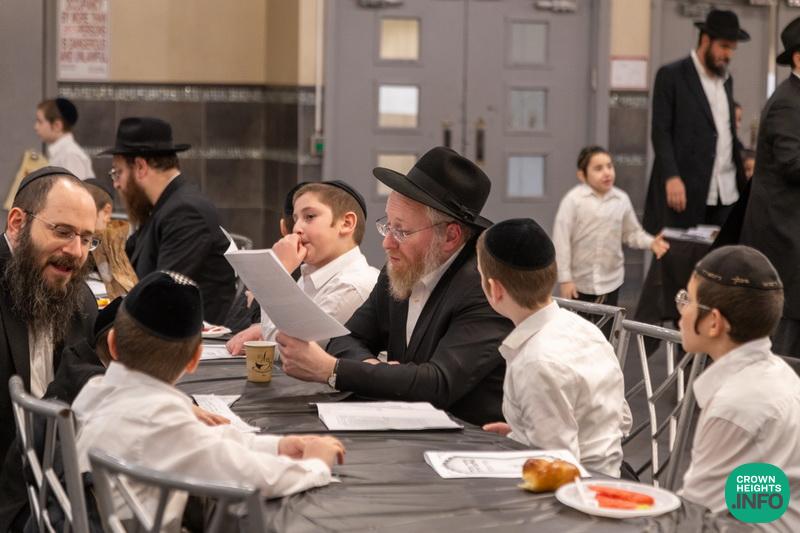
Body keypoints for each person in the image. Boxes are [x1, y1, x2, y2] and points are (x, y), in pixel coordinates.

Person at [73, 271, 346, 530]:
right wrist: (315, 467)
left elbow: (206, 443)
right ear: (195, 360)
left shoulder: (95, 392)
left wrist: (277, 446)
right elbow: (247, 474)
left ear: (112, 344)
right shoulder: (159, 416)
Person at [276, 147, 513, 426]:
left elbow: (438, 383)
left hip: (472, 439)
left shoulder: (485, 289)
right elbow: (346, 338)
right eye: (387, 226)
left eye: (401, 231)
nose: (387, 243)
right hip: (406, 427)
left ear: (450, 236)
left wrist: (332, 370)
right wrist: (373, 370)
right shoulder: (400, 271)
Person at [477, 218, 631, 477]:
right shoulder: (585, 330)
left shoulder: (535, 362)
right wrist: (521, 433)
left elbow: (557, 467)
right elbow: (620, 419)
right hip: (609, 475)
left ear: (494, 289)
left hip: (579, 491)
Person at [677, 246, 799, 530]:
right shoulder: (777, 375)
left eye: (688, 300)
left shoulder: (736, 405)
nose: (681, 312)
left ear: (714, 323)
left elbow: (695, 515)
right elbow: (754, 497)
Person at [0, 166, 98, 469]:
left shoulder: (81, 299)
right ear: (17, 224)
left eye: (87, 239)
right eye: (63, 232)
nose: (76, 251)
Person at [100, 117, 236, 324]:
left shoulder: (185, 212)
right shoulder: (163, 206)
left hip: (189, 337)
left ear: (140, 167)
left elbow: (161, 294)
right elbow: (125, 258)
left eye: (117, 172)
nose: (116, 184)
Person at [226, 181, 379, 354]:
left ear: (346, 223)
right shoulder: (312, 273)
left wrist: (278, 271)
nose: (297, 228)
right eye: (296, 219)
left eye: (310, 217)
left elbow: (290, 351)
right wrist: (261, 328)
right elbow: (285, 329)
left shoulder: (352, 286)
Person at [643, 9, 749, 233]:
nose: (728, 54)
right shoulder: (672, 75)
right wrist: (671, 177)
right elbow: (660, 132)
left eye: (732, 48)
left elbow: (724, 131)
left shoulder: (727, 80)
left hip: (726, 191)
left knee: (724, 254)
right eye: (724, 46)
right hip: (686, 189)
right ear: (706, 40)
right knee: (682, 252)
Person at [739, 16, 800, 358]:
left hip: (791, 237)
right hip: (784, 240)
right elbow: (792, 164)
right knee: (783, 341)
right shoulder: (788, 102)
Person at [554, 146, 669, 307]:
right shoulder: (573, 201)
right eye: (598, 168)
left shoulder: (621, 199)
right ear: (582, 175)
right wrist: (565, 279)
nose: (607, 172)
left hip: (611, 282)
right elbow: (561, 241)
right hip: (579, 284)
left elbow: (632, 233)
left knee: (608, 322)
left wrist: (651, 242)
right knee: (579, 323)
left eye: (609, 166)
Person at [34, 98, 94, 180]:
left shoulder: (70, 155)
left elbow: (75, 187)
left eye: (40, 122)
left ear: (57, 125)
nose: (36, 127)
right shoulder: (62, 153)